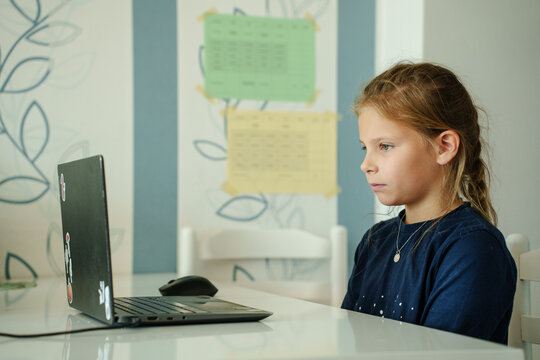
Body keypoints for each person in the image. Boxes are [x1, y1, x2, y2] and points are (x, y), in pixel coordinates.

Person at [341, 62, 517, 345]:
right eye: (366, 147)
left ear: (444, 147)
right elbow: (348, 343)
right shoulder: (375, 241)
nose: (366, 164)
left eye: (384, 146)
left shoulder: (471, 248)